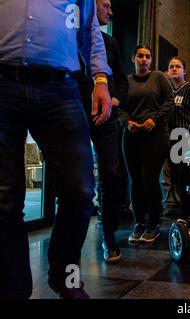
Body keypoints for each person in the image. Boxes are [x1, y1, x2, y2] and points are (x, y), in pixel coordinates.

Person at [0, 0, 112, 299]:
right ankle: (14, 288)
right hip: (3, 86)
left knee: (80, 191)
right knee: (4, 199)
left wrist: (100, 80)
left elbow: (89, 30)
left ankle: (65, 276)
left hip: (59, 89)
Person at [76, 0, 128, 263]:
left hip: (105, 116)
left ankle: (109, 237)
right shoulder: (70, 36)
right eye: (105, 5)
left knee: (109, 175)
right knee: (76, 178)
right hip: (74, 112)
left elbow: (120, 79)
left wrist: (115, 97)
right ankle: (71, 244)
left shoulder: (110, 44)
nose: (110, 11)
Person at [118, 45, 174, 244]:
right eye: (140, 56)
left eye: (148, 56)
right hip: (132, 135)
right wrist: (127, 122)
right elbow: (119, 107)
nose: (144, 59)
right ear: (133, 58)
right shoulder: (125, 80)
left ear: (151, 60)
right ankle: (139, 222)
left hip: (155, 135)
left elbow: (170, 101)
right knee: (135, 181)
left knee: (149, 179)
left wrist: (155, 119)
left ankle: (154, 224)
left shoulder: (159, 77)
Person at [167, 56, 190, 225]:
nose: (174, 69)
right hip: (171, 139)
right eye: (171, 67)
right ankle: (182, 209)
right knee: (176, 178)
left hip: (186, 139)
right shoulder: (167, 91)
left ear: (185, 71)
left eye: (178, 66)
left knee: (187, 179)